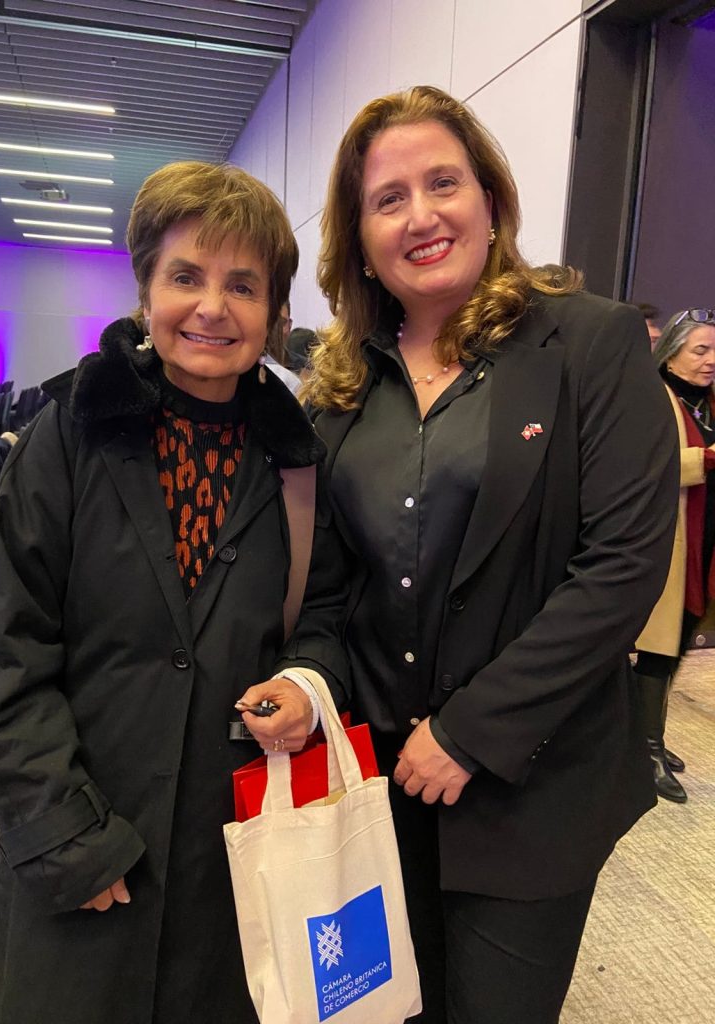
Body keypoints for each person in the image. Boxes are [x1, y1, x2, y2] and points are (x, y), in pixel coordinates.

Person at [297, 85, 678, 1023]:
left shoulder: (587, 342)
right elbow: (331, 588)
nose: (421, 216)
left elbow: (622, 565)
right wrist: (307, 682)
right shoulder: (340, 388)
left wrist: (472, 732)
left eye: (444, 183)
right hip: (375, 784)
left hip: (529, 780)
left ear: (491, 198)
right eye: (388, 199)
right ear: (360, 239)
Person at [0, 160, 347, 1024]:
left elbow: (323, 616)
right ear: (145, 292)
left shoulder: (296, 462)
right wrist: (66, 836)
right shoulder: (69, 439)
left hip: (228, 863)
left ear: (275, 314)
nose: (212, 307)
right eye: (186, 277)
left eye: (242, 285)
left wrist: (307, 681)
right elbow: (4, 653)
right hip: (85, 847)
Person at [635, 308, 715, 804]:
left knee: (681, 642)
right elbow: (645, 466)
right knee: (658, 650)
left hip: (704, 542)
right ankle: (646, 751)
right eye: (700, 349)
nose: (710, 360)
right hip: (668, 542)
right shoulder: (653, 396)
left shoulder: (707, 402)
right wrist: (707, 459)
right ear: (671, 354)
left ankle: (650, 737)